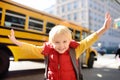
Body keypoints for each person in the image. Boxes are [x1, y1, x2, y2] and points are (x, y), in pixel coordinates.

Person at [8, 12, 111, 80]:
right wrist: (16, 42)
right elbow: (32, 48)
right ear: (52, 42)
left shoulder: (75, 49)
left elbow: (89, 39)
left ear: (70, 40)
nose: (61, 46)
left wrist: (104, 28)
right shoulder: (48, 50)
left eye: (65, 41)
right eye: (57, 42)